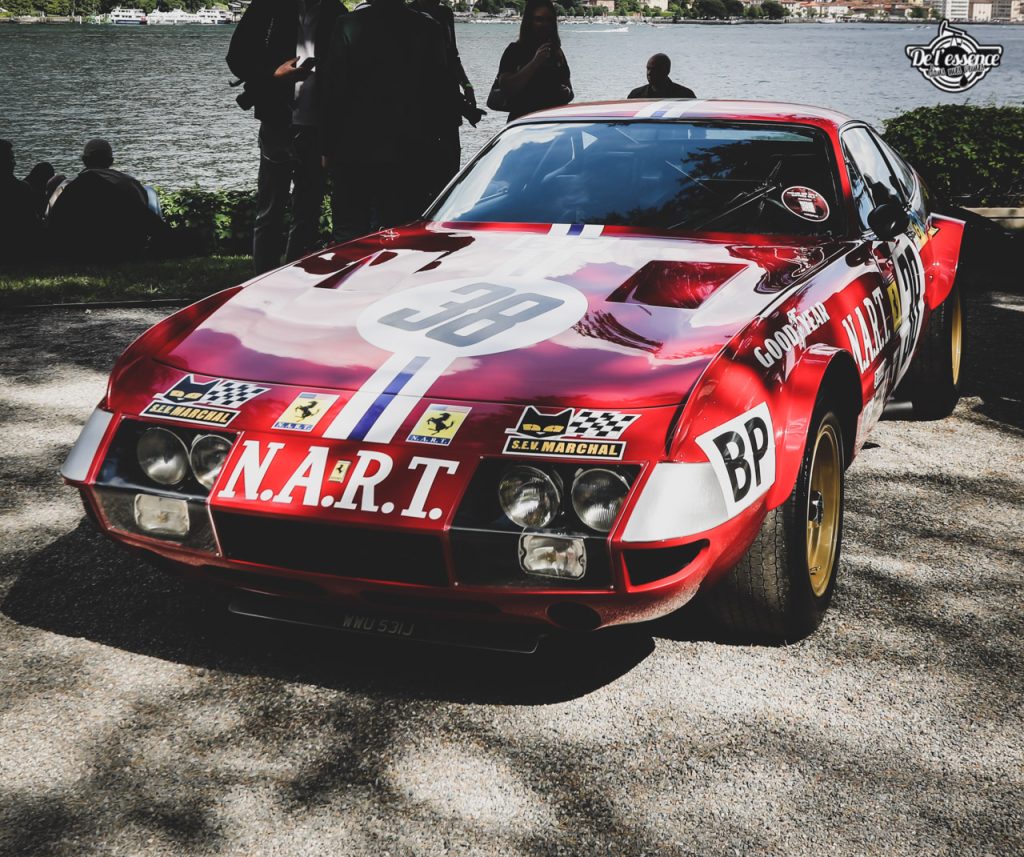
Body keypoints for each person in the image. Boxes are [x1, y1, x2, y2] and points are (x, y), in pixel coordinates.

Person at [227, 0, 347, 274]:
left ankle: (294, 278)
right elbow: (236, 58)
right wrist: (273, 73)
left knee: (308, 212)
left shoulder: (336, 12)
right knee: (270, 209)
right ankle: (262, 279)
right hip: (276, 121)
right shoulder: (268, 7)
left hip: (319, 125)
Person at [324, 0, 447, 242]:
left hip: (355, 145)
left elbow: (334, 91)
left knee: (349, 230)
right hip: (409, 145)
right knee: (402, 229)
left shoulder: (348, 25)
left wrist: (327, 146)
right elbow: (438, 93)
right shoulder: (427, 28)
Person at [46, 138, 168, 262]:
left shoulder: (68, 187)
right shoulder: (128, 184)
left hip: (77, 252)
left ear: (84, 160)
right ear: (111, 161)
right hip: (124, 250)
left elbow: (52, 221)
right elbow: (144, 216)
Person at [409, 0, 481, 198]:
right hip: (423, 104)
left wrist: (467, 85)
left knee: (450, 167)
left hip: (449, 100)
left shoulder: (445, 13)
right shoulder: (410, 13)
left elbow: (453, 55)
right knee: (425, 170)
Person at [0, 140, 43, 264]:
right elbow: (32, 223)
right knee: (44, 169)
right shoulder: (20, 189)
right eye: (11, 159)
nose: (15, 163)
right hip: (19, 249)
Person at [627, 53, 695, 100]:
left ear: (666, 71)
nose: (649, 73)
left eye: (654, 69)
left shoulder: (685, 95)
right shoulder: (635, 95)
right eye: (648, 69)